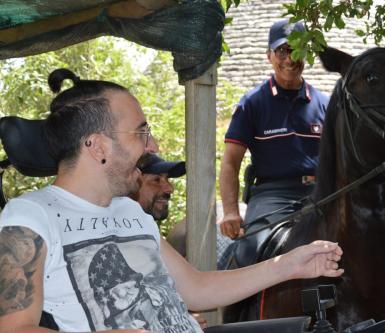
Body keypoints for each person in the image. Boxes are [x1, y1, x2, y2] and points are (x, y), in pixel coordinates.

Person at [0, 68, 344, 333]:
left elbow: (196, 288)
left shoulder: (129, 212)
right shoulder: (31, 215)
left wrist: (290, 264)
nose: (152, 147)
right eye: (141, 132)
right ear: (98, 146)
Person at [219, 19, 330, 266]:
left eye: (298, 50)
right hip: (272, 195)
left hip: (320, 194)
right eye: (283, 51)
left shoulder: (325, 104)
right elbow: (229, 163)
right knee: (250, 251)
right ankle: (240, 306)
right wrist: (230, 211)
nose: (290, 59)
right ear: (269, 55)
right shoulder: (252, 103)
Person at [129, 154, 207, 329]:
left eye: (167, 180)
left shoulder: (147, 233)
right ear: (132, 182)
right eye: (156, 179)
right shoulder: (121, 240)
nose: (169, 188)